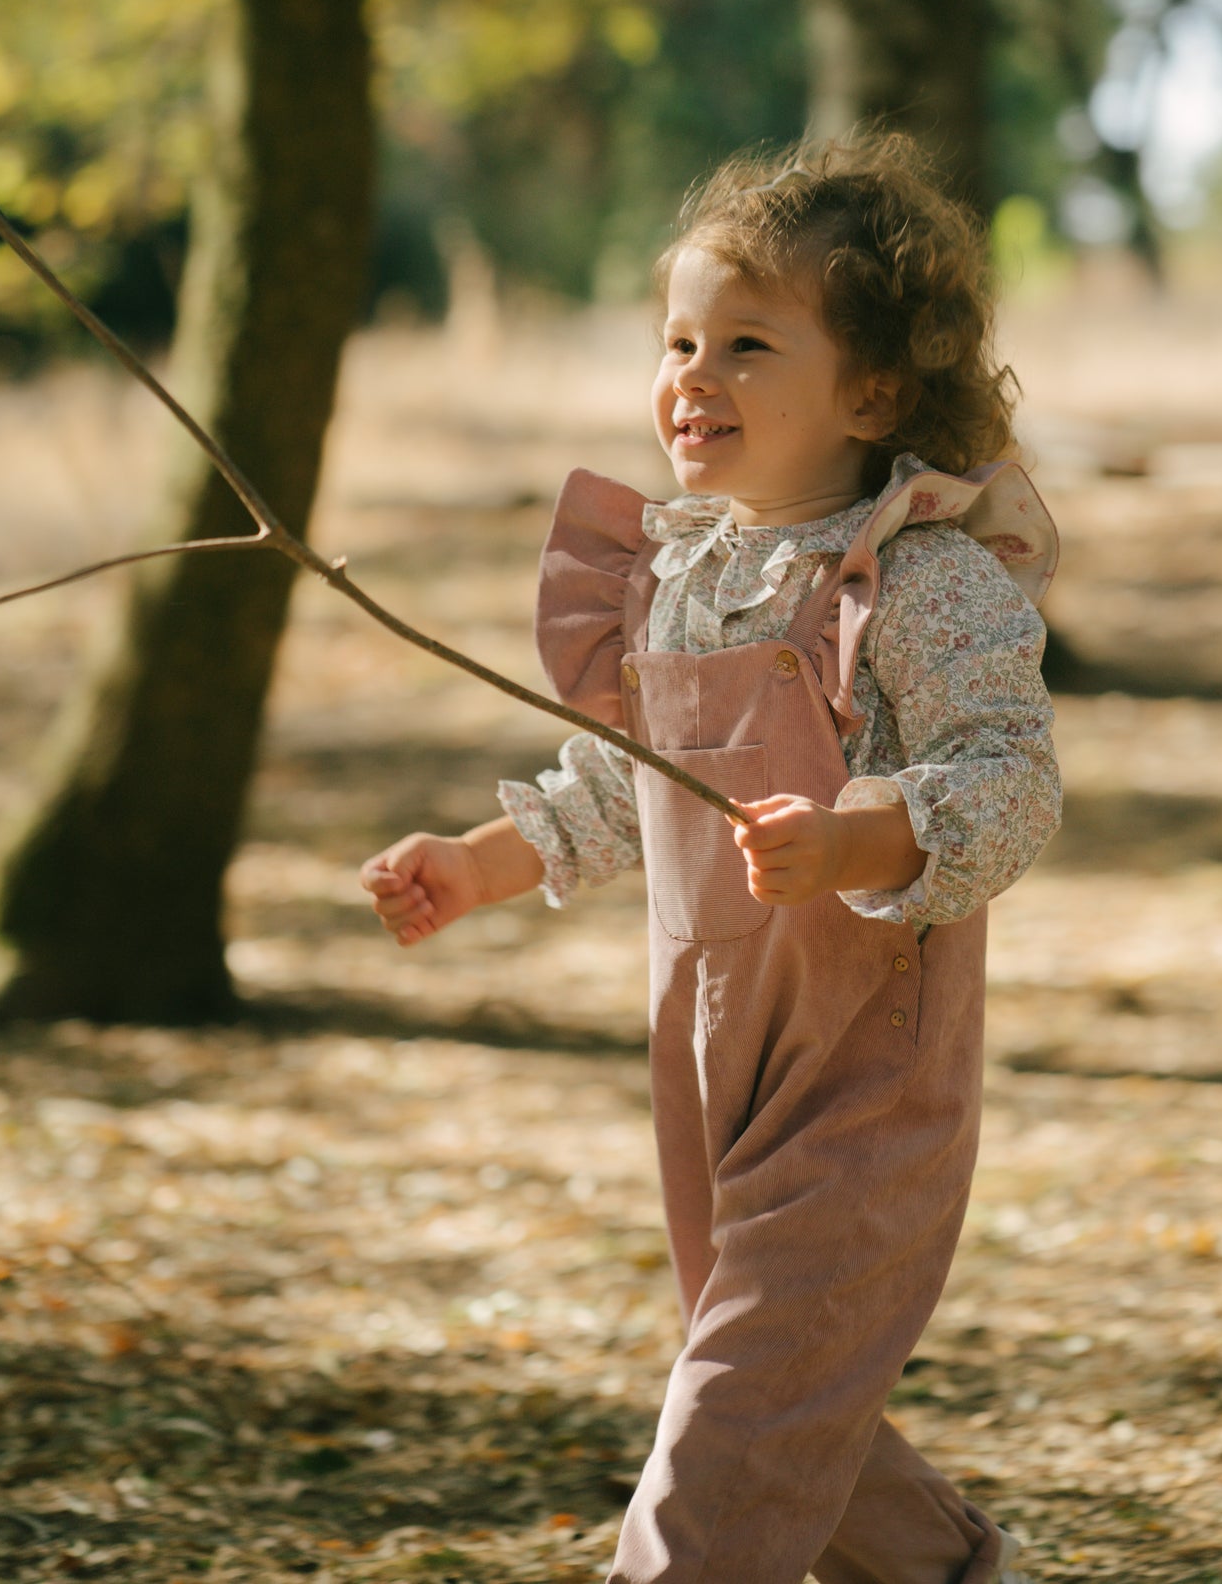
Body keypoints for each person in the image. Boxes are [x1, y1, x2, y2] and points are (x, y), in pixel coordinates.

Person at [361, 133, 1061, 1584]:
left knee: (736, 1413)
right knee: (770, 1376)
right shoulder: (683, 577)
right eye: (678, 340)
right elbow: (634, 786)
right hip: (706, 1053)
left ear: (869, 390)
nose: (692, 375)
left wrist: (863, 829)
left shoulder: (915, 579)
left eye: (746, 345)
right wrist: (481, 862)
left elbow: (1012, 781)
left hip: (862, 1060)